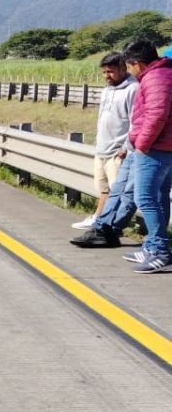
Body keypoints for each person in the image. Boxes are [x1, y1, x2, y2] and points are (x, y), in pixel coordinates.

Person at [71, 53, 137, 230]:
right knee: (104, 189)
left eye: (111, 71)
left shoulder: (133, 89)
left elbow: (135, 121)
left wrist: (125, 148)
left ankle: (108, 226)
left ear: (123, 69)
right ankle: (99, 219)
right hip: (102, 148)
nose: (107, 75)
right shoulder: (107, 89)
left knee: (118, 192)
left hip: (118, 151)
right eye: (104, 72)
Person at [122, 40, 172, 273]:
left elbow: (156, 115)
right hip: (163, 147)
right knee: (159, 196)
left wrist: (141, 144)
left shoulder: (155, 78)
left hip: (155, 148)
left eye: (129, 66)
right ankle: (152, 246)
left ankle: (160, 251)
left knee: (145, 198)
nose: (129, 72)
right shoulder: (163, 74)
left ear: (139, 64)